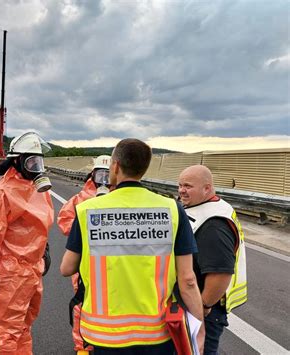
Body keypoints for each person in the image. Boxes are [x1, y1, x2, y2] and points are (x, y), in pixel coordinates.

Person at [60, 138, 205, 354]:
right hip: (158, 333)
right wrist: (198, 333)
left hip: (104, 335)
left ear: (116, 166)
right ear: (144, 169)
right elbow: (188, 280)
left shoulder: (88, 210)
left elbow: (66, 268)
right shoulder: (171, 209)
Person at [0, 132, 54, 355]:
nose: (36, 167)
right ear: (17, 161)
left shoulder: (38, 190)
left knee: (24, 326)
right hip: (11, 273)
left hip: (33, 270)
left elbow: (41, 224)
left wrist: (44, 248)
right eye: (31, 161)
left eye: (39, 161)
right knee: (7, 332)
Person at [178, 165, 247, 355]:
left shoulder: (213, 224)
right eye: (180, 185)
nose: (181, 190)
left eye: (188, 186)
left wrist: (204, 305)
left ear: (207, 188)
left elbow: (221, 272)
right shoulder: (209, 206)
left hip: (205, 311)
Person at [57, 155, 112, 354]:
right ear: (92, 175)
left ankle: (109, 342)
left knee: (113, 305)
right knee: (83, 303)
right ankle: (83, 347)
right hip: (85, 264)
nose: (104, 180)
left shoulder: (121, 198)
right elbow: (64, 222)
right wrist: (85, 231)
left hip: (115, 264)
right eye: (100, 174)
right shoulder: (80, 200)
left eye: (108, 175)